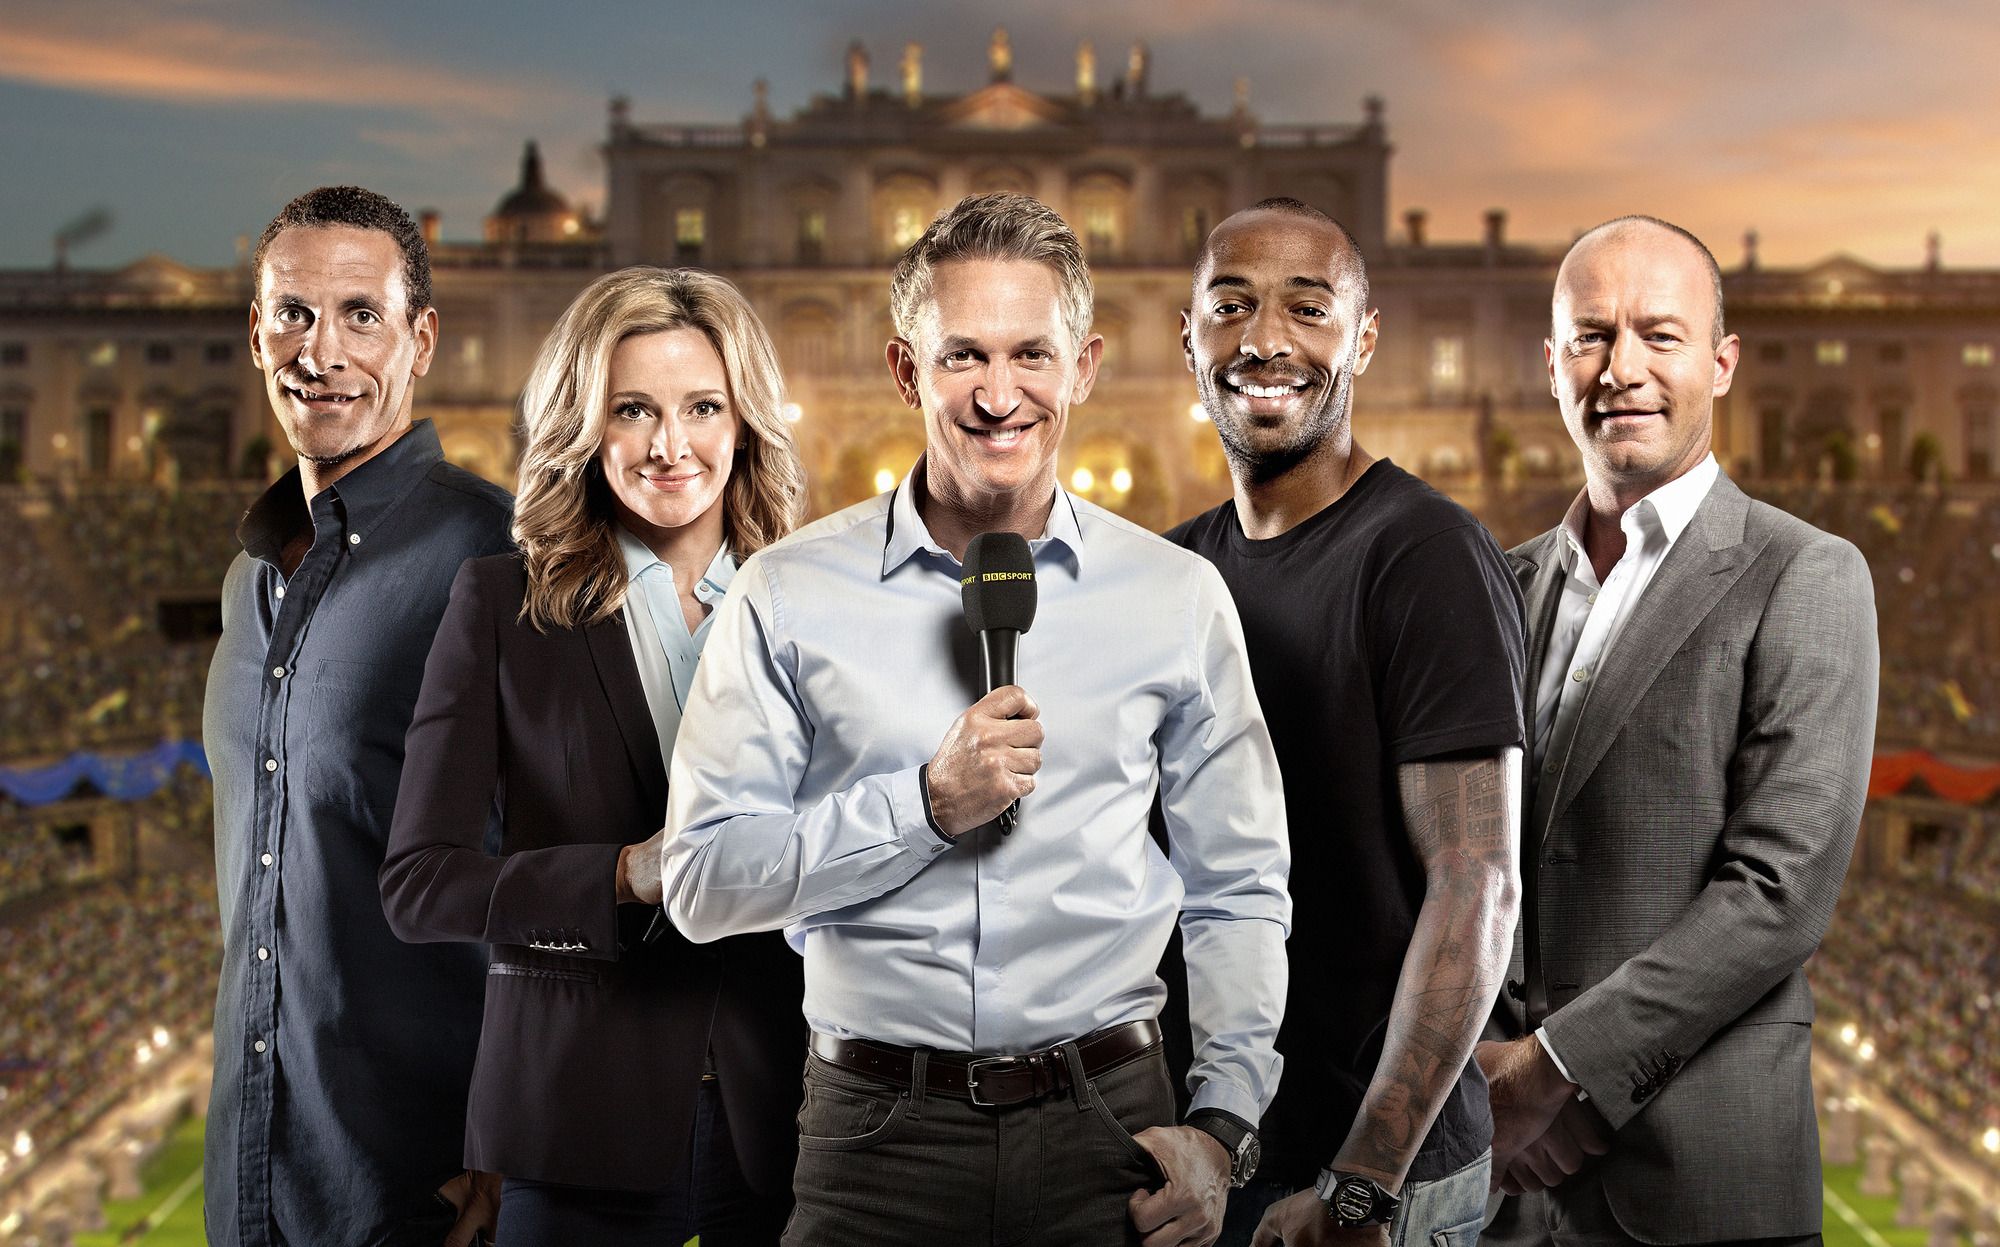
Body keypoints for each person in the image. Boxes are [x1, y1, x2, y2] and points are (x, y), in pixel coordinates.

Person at [661, 192, 1292, 1247]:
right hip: (874, 1141)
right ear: (907, 370)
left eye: (1029, 356)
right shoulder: (785, 594)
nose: (1000, 396)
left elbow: (1238, 884)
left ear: (1082, 366)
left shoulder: (1174, 597)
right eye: (962, 358)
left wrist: (1223, 1123)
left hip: (1114, 1131)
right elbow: (700, 881)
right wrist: (918, 806)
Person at [378, 266, 807, 1245]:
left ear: (742, 418)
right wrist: (620, 874)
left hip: (789, 1113)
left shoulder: (815, 601)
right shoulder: (499, 604)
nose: (671, 444)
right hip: (576, 1114)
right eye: (632, 409)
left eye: (702, 404)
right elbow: (418, 883)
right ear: (583, 423)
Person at [1478, 216, 1878, 1247]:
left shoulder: (1804, 573)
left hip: (1699, 1187)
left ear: (1720, 361)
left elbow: (1779, 894)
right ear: (1551, 363)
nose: (1620, 369)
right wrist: (1484, 1064)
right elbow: (1460, 856)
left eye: (1658, 335)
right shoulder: (1499, 584)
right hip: (1498, 1187)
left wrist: (1555, 1070)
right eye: (1590, 335)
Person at [1168, 198, 1524, 1247]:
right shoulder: (1172, 571)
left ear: (1361, 338)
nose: (1264, 339)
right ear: (1184, 337)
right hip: (1213, 1154)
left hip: (1374, 1175)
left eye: (1307, 309)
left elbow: (1477, 884)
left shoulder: (1423, 553)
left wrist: (1360, 1181)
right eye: (1229, 305)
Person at [202, 185, 514, 1247]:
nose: (319, 348)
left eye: (359, 314)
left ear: (420, 338)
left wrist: (518, 1136)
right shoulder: (247, 582)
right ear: (255, 333)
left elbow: (584, 858)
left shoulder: (500, 557)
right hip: (252, 1185)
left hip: (425, 1192)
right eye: (292, 311)